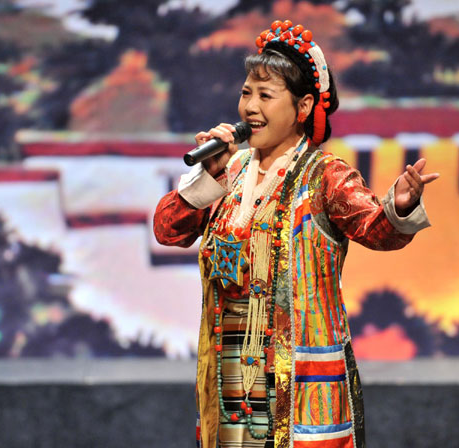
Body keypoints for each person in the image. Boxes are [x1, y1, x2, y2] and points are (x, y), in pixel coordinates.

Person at [154, 19, 439, 448]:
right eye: (246, 93)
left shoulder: (325, 176)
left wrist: (399, 205)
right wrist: (204, 183)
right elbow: (166, 230)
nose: (250, 107)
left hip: (300, 374)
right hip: (233, 367)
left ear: (303, 108)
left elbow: (377, 230)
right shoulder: (228, 171)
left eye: (265, 95)